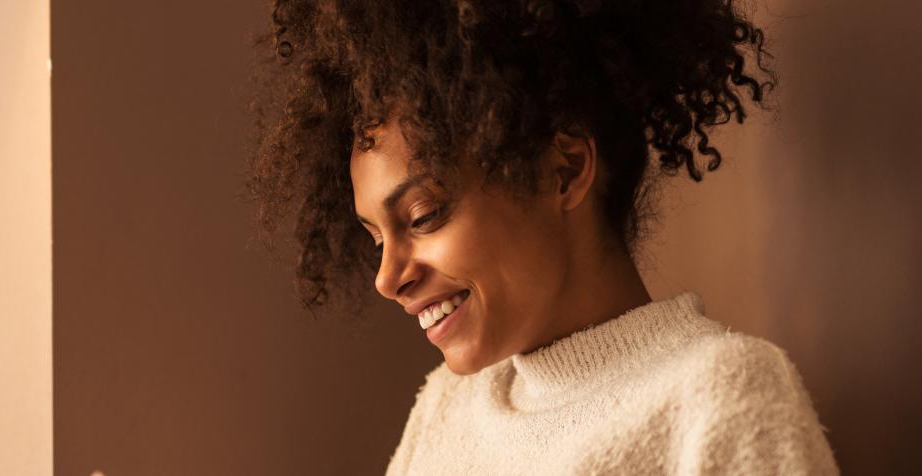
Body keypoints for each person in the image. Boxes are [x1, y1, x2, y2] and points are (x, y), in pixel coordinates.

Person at [248, 0, 838, 473]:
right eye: (377, 238)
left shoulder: (720, 396)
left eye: (424, 216)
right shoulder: (446, 411)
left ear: (564, 170)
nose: (386, 278)